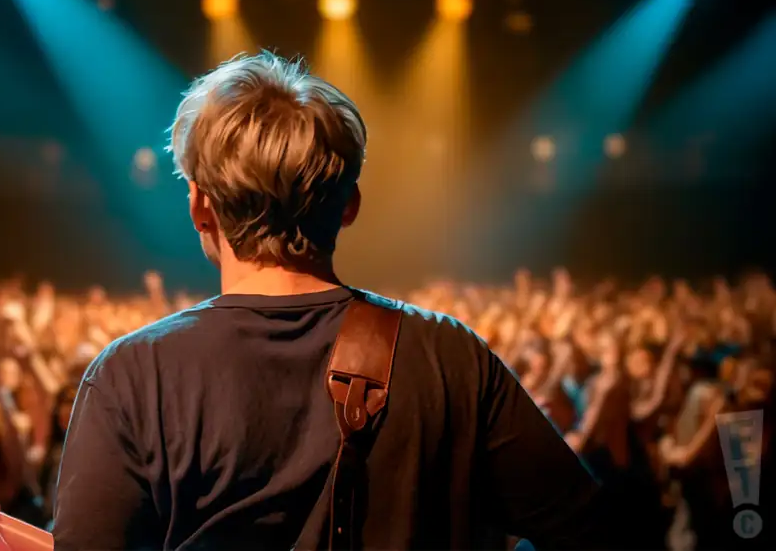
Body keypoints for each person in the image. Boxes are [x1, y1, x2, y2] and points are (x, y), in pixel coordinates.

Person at [44, 51, 609, 550]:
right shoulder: (452, 355)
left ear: (200, 208)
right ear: (349, 205)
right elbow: (593, 532)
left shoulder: (131, 376)